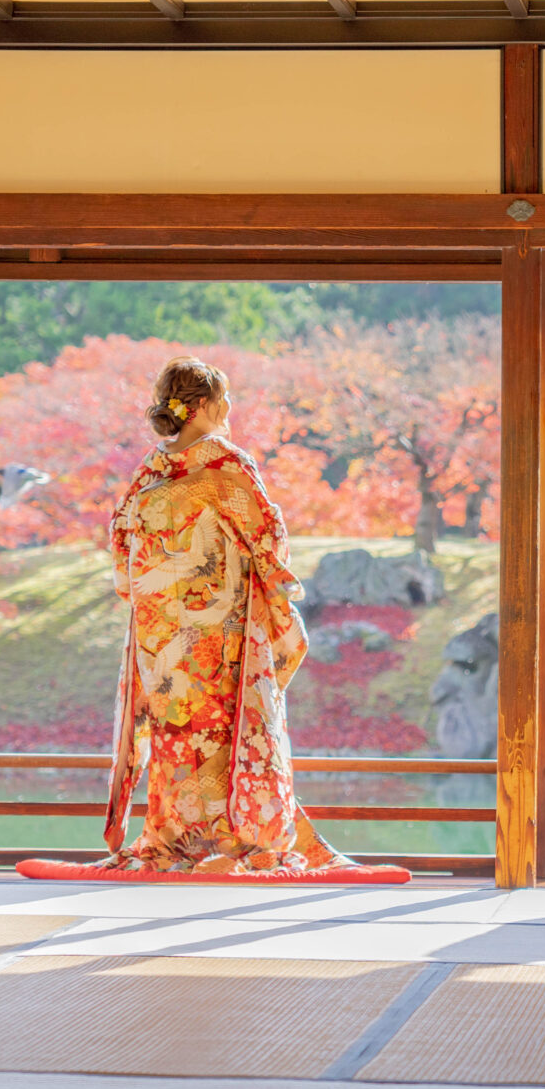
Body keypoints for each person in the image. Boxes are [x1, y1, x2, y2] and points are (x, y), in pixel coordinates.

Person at [98, 355, 355, 875]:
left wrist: (154, 598)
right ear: (202, 407)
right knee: (230, 727)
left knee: (178, 734)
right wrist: (280, 598)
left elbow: (121, 543)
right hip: (220, 631)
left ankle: (175, 840)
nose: (230, 407)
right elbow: (267, 537)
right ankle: (244, 839)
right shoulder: (226, 465)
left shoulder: (149, 471)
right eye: (224, 399)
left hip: (161, 635)